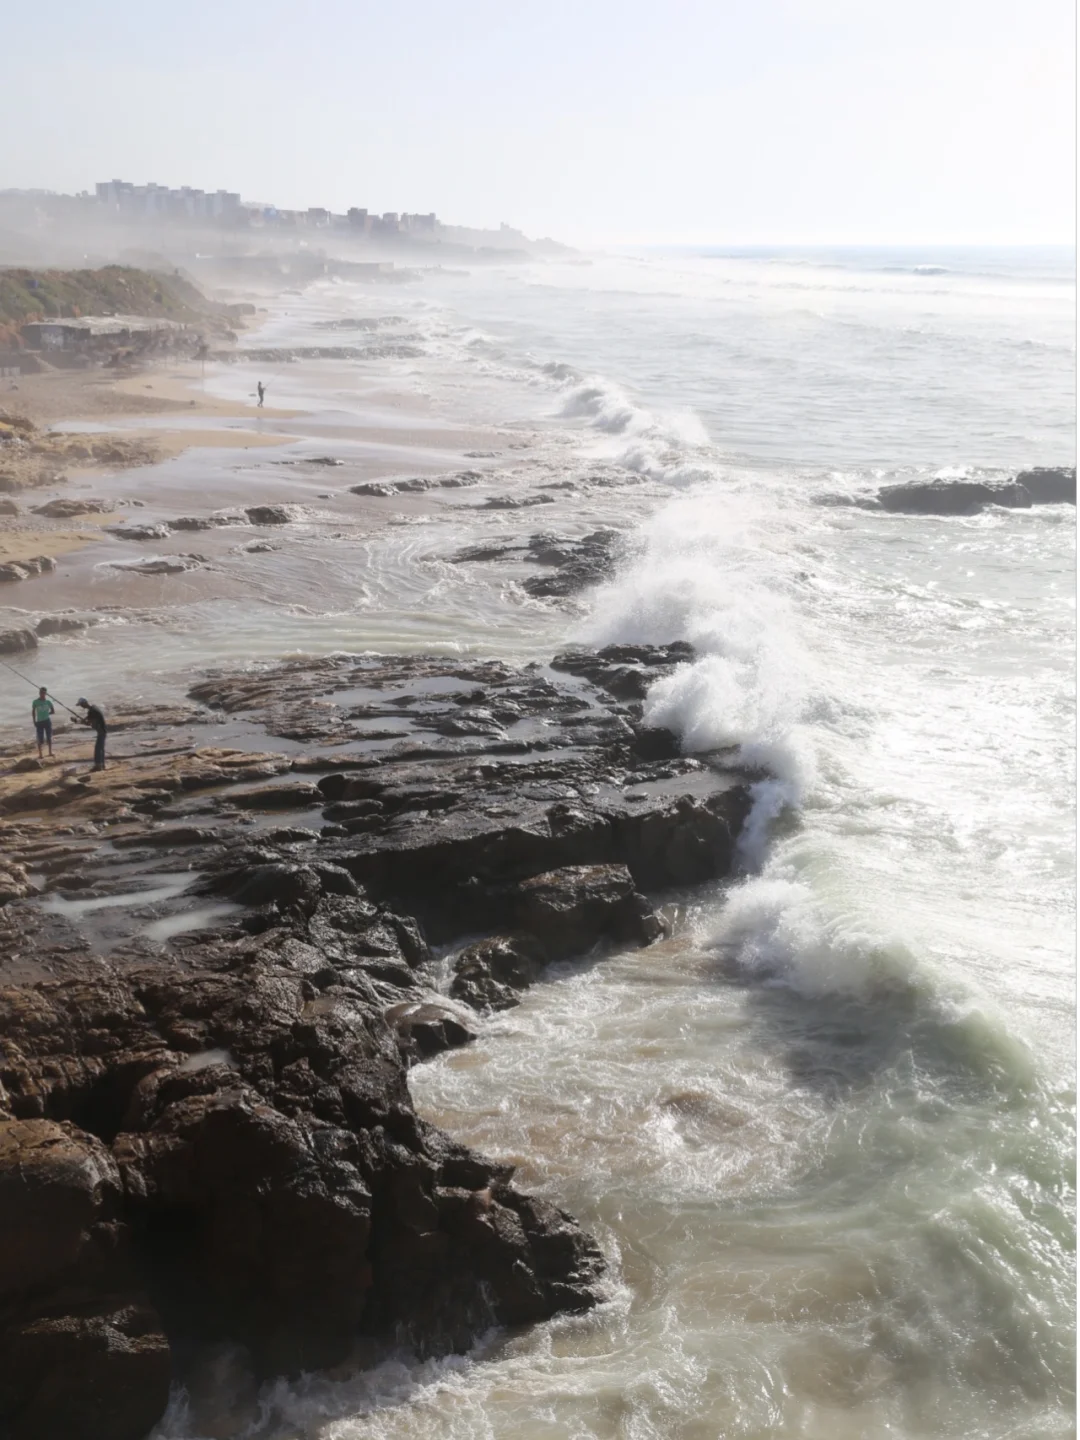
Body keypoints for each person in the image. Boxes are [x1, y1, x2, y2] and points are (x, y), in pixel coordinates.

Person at [75, 698, 107, 771]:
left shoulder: (92, 711)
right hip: (103, 730)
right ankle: (102, 765)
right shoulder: (93, 708)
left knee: (98, 749)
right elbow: (88, 718)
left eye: (81, 705)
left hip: (101, 731)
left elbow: (88, 723)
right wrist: (82, 720)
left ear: (84, 703)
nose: (81, 706)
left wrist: (77, 721)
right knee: (101, 749)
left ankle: (98, 766)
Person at [31, 687, 54, 758]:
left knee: (49, 737)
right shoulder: (35, 702)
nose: (42, 694)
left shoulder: (48, 702)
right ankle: (40, 754)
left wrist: (47, 713)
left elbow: (53, 711)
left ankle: (50, 752)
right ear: (39, 693)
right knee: (40, 738)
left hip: (47, 721)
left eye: (43, 693)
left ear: (46, 693)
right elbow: (33, 712)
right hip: (39, 722)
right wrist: (34, 721)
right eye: (41, 692)